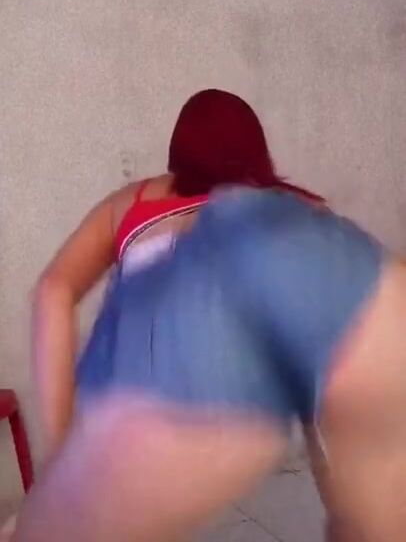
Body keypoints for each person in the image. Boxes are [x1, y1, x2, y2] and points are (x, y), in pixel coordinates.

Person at [18, 188, 406, 542]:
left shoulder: (132, 206)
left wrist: (60, 449)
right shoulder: (286, 205)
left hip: (166, 385)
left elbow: (54, 290)